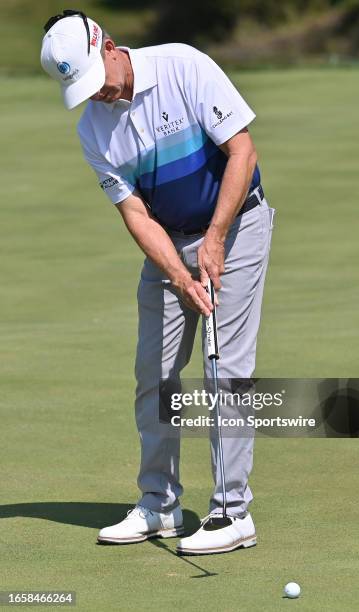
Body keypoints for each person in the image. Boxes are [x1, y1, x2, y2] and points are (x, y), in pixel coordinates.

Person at [40, 9, 275, 555]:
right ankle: (160, 504)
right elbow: (138, 215)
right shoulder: (91, 130)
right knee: (156, 374)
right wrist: (180, 273)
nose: (97, 96)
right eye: (83, 91)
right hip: (168, 241)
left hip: (236, 225)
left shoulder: (183, 67)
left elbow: (243, 150)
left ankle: (232, 512)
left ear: (110, 46)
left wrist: (215, 239)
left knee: (226, 367)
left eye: (98, 82)